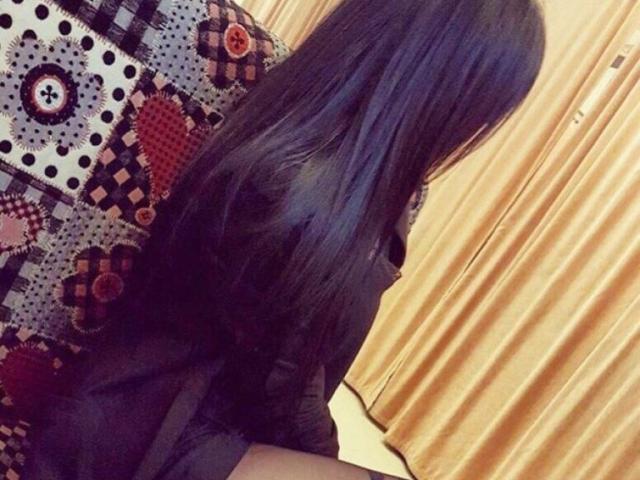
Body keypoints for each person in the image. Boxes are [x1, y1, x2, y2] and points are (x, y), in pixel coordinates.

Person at [24, 0, 545, 478]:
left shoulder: (359, 175)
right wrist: (325, 461)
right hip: (148, 429)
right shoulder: (288, 192)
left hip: (208, 420)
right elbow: (284, 388)